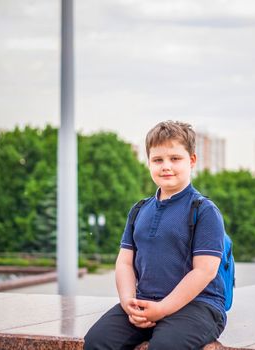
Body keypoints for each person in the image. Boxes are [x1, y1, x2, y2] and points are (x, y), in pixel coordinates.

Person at [84, 121, 226, 350]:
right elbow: (124, 262)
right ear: (148, 162)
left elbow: (205, 270)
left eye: (175, 159)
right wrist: (129, 302)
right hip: (145, 299)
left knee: (164, 346)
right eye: (157, 160)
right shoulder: (139, 210)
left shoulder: (204, 210)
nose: (166, 166)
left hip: (199, 306)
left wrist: (162, 309)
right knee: (96, 342)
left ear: (192, 161)